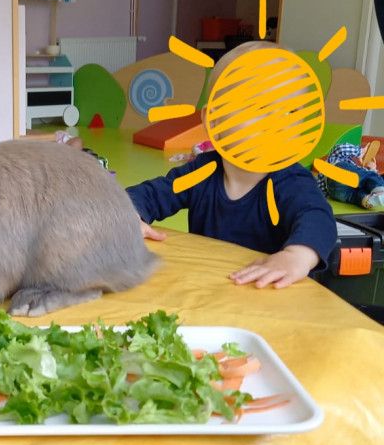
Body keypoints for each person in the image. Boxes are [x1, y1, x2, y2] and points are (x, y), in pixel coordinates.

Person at [126, 42, 337, 289]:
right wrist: (129, 215)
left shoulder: (290, 180)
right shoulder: (202, 172)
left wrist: (296, 256)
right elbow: (152, 194)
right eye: (256, 108)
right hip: (214, 292)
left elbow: (318, 217)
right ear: (214, 121)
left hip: (271, 298)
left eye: (290, 112)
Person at [317, 140, 384, 209]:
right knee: (370, 176)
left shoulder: (357, 168)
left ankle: (369, 200)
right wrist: (360, 152)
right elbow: (340, 148)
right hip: (337, 174)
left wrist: (371, 169)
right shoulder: (337, 157)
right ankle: (380, 192)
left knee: (358, 194)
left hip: (337, 194)